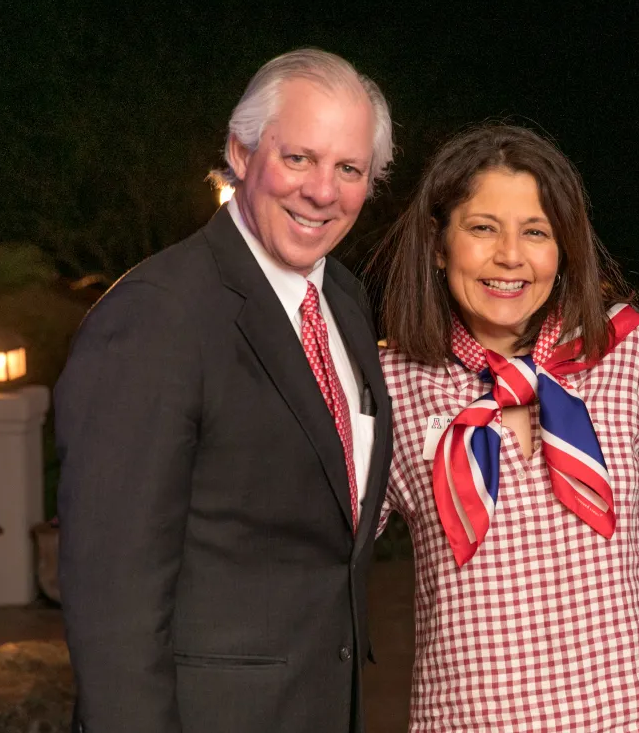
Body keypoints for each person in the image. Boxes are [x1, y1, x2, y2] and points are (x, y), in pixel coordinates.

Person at [55, 48, 395, 733]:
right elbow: (112, 607)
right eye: (298, 158)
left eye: (349, 169)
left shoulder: (347, 302)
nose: (323, 192)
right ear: (241, 152)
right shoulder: (157, 317)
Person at [374, 123, 639, 731]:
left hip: (635, 717)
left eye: (536, 232)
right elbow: (315, 551)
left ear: (564, 250)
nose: (510, 257)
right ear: (440, 246)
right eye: (482, 228)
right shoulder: (391, 384)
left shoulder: (629, 354)